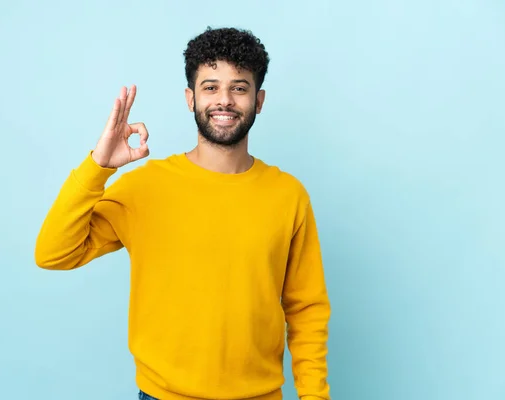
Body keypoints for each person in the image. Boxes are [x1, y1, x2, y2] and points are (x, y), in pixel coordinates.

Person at [35, 26, 331, 400]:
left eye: (239, 88)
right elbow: (53, 253)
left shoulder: (289, 195)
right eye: (210, 87)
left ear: (259, 100)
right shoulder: (146, 187)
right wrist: (99, 166)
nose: (224, 100)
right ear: (190, 98)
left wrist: (315, 395)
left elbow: (306, 309)